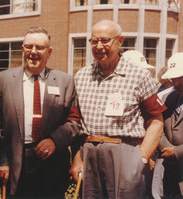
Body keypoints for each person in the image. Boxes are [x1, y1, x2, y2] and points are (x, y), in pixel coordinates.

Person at [69, 20, 167, 199]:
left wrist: (142, 158)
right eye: (94, 41)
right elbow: (75, 123)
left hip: (125, 152)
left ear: (120, 41)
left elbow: (156, 121)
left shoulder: (139, 75)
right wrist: (77, 158)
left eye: (105, 40)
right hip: (89, 152)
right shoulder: (81, 76)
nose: (99, 46)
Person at [0, 27, 81, 198]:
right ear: (23, 49)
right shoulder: (3, 80)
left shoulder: (65, 81)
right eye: (29, 46)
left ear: (49, 52)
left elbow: (74, 121)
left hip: (52, 164)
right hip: (15, 162)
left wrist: (55, 140)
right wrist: (2, 160)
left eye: (39, 47)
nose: (33, 52)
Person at [156, 52, 183, 198]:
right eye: (174, 79)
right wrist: (166, 148)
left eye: (181, 78)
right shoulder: (169, 97)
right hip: (171, 174)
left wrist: (177, 152)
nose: (177, 83)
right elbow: (157, 126)